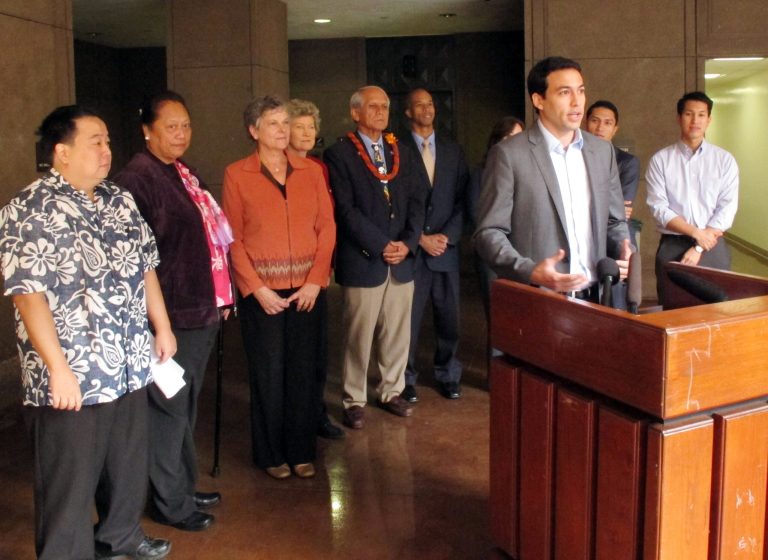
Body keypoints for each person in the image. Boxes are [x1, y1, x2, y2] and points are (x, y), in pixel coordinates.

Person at [0, 105, 174, 559]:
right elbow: (27, 294)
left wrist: (162, 326)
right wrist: (57, 369)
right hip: (71, 372)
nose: (106, 150)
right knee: (69, 481)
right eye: (95, 141)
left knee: (126, 462)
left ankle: (120, 536)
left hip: (129, 361)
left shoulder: (118, 199)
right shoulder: (29, 209)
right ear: (61, 152)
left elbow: (145, 268)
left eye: (108, 141)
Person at [113, 90, 232, 532]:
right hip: (171, 314)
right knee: (167, 409)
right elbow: (138, 262)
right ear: (147, 130)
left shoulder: (182, 171)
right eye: (171, 126)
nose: (181, 133)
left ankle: (182, 483)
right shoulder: (137, 179)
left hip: (200, 308)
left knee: (184, 407)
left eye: (186, 124)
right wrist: (155, 322)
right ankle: (169, 502)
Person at [222, 95, 335, 479]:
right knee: (269, 375)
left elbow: (327, 228)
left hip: (307, 291)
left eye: (286, 122)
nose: (283, 130)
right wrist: (256, 289)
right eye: (274, 123)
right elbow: (232, 239)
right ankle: (271, 454)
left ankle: (301, 450)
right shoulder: (238, 174)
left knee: (304, 373)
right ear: (254, 131)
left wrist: (316, 282)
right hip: (264, 296)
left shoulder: (311, 171)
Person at [474, 56, 631, 301]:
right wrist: (530, 271)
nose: (577, 102)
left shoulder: (602, 151)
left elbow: (614, 221)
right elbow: (489, 233)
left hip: (598, 298)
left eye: (580, 91)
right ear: (539, 100)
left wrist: (624, 246)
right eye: (564, 92)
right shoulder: (509, 155)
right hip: (540, 299)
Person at [324, 85, 425, 430]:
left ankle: (391, 390)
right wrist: (381, 244)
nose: (381, 112)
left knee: (398, 332)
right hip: (365, 258)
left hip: (402, 259)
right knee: (359, 334)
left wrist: (408, 243)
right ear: (355, 113)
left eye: (384, 106)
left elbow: (416, 201)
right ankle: (354, 398)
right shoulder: (340, 154)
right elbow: (346, 210)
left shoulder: (401, 151)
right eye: (373, 107)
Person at [400, 88, 469, 402]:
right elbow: (395, 205)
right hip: (413, 253)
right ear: (407, 112)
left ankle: (448, 374)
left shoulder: (453, 151)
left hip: (445, 250)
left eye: (430, 103)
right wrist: (418, 239)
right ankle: (405, 379)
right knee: (408, 323)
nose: (426, 109)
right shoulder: (397, 150)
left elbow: (463, 200)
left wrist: (447, 237)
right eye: (419, 104)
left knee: (449, 318)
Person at [285, 98, 344, 440]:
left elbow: (327, 222)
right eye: (299, 126)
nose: (307, 133)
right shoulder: (280, 168)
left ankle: (316, 412)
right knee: (298, 354)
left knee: (319, 351)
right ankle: (297, 418)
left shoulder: (319, 169)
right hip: (287, 271)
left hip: (317, 271)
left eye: (311, 127)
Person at [646, 91, 738, 304]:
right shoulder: (661, 160)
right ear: (679, 118)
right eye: (689, 114)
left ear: (709, 120)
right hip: (673, 244)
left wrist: (699, 245)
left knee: (717, 309)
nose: (695, 120)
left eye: (701, 115)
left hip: (713, 245)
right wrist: (696, 233)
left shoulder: (724, 161)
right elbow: (659, 208)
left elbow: (727, 209)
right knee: (673, 308)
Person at [466, 116, 525, 322]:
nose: (513, 143)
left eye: (519, 137)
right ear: (496, 141)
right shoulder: (481, 173)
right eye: (508, 137)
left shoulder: (526, 172)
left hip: (522, 253)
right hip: (492, 252)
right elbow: (476, 214)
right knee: (497, 314)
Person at [585, 100, 641, 248]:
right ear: (585, 124)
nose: (600, 127)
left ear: (615, 129)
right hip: (583, 236)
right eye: (595, 121)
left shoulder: (627, 161)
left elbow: (621, 209)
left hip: (616, 238)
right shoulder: (574, 158)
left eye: (607, 123)